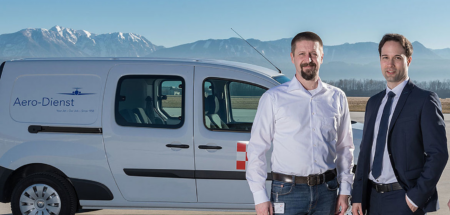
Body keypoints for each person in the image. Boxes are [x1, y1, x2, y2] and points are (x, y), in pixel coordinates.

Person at [246, 31, 354, 215]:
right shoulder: (273, 98)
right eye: (302, 54)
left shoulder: (337, 97)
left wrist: (345, 190)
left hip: (327, 191)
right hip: (287, 192)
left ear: (321, 57)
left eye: (313, 54)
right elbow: (256, 148)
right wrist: (259, 196)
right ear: (292, 57)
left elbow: (345, 148)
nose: (308, 59)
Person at [351, 33, 448, 215]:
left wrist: (415, 198)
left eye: (397, 58)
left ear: (408, 60)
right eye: (385, 58)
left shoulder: (424, 100)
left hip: (403, 200)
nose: (390, 64)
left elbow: (438, 154)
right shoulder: (373, 103)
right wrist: (358, 196)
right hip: (372, 200)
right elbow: (365, 154)